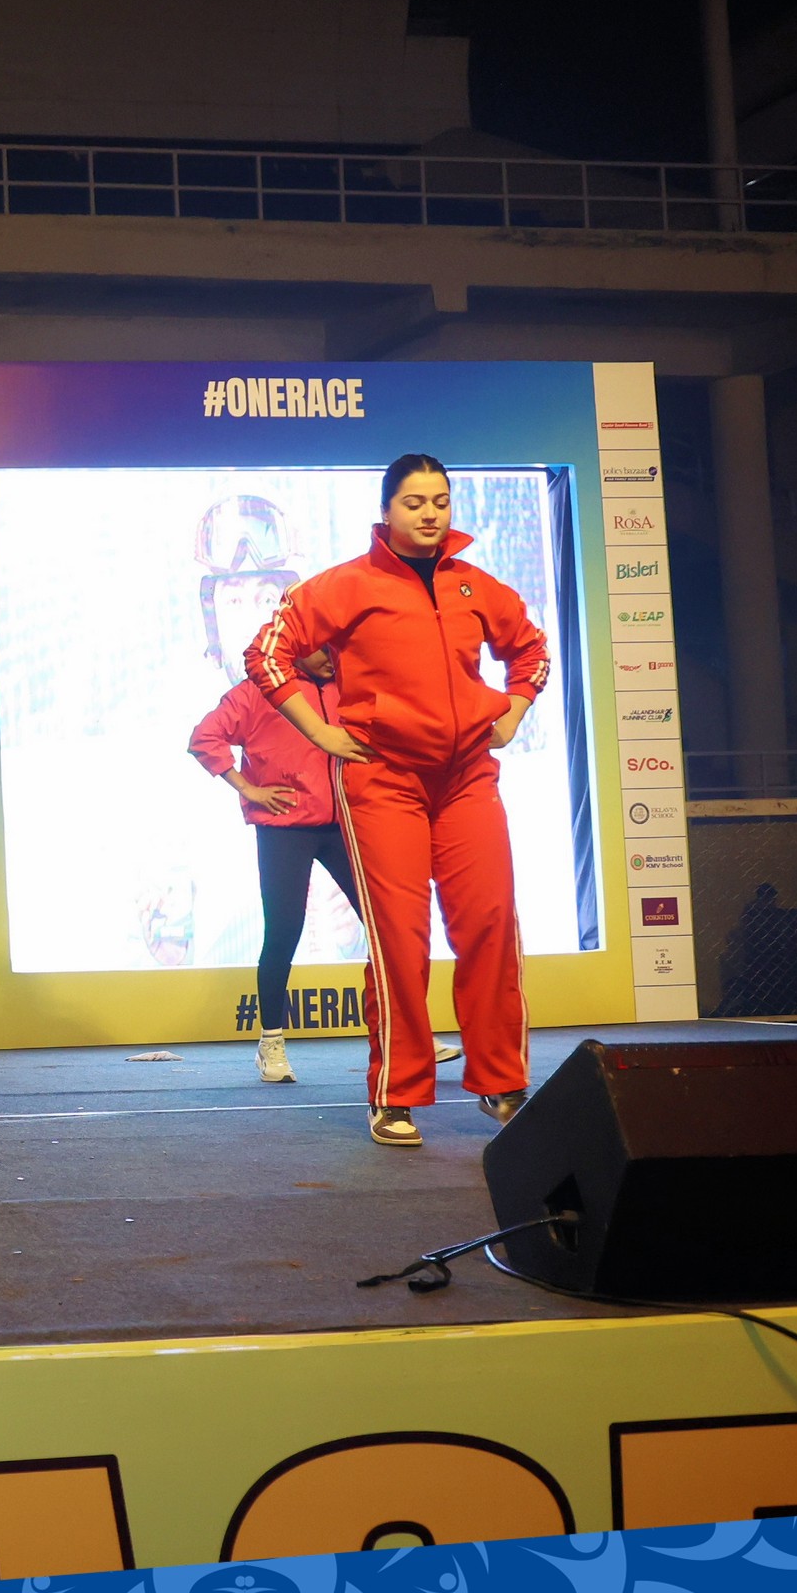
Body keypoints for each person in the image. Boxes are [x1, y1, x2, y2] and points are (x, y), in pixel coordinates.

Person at [245, 453, 548, 1147]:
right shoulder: (346, 585)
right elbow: (267, 653)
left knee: (491, 922)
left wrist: (513, 710)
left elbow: (531, 651)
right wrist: (321, 730)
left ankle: (502, 1082)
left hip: (467, 777)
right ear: (387, 511)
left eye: (440, 500)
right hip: (384, 780)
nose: (430, 513)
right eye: (415, 502)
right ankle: (397, 1094)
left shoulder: (475, 586)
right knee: (399, 939)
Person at [188, 661, 359, 1085]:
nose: (330, 655)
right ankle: (271, 1041)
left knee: (387, 929)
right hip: (284, 829)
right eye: (321, 645)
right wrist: (248, 788)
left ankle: (408, 1032)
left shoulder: (347, 684)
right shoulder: (260, 690)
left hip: (343, 826)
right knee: (283, 934)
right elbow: (205, 737)